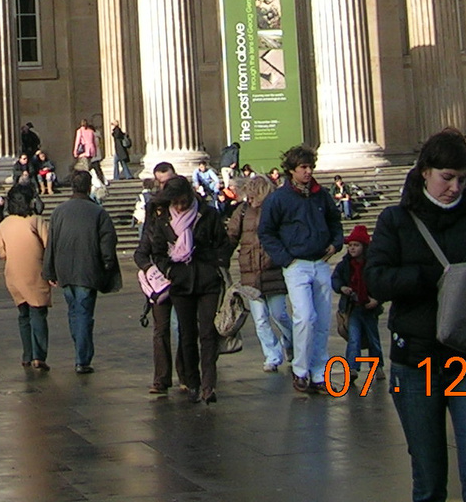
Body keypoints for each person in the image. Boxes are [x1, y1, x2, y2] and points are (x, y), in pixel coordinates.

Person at [366, 129, 466, 502]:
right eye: (447, 177)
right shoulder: (395, 221)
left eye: (462, 180)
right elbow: (377, 280)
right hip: (416, 362)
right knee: (429, 481)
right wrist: (434, 277)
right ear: (425, 173)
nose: (455, 187)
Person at [135, 175, 232, 403]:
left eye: (184, 201)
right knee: (187, 334)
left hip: (207, 281)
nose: (180, 206)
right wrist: (169, 271)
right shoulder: (163, 220)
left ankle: (209, 385)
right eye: (176, 202)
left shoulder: (207, 214)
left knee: (208, 333)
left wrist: (216, 264)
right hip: (180, 283)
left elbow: (223, 244)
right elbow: (157, 252)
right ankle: (193, 381)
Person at [258, 144, 342, 394]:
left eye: (310, 167)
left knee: (323, 319)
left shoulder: (321, 194)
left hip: (321, 263)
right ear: (291, 170)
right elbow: (266, 232)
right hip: (296, 265)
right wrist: (285, 258)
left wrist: (336, 244)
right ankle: (300, 369)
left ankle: (318, 372)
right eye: (303, 167)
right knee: (305, 317)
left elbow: (335, 221)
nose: (308, 172)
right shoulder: (279, 198)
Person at [42, 169, 120, 374]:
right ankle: (82, 358)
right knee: (84, 312)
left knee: (74, 311)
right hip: (88, 269)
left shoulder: (59, 211)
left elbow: (51, 243)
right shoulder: (98, 212)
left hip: (64, 269)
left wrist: (49, 270)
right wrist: (107, 264)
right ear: (88, 187)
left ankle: (80, 348)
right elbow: (108, 241)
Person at [226, 174, 293, 373]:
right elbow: (231, 236)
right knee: (261, 319)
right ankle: (272, 355)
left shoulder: (276, 209)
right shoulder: (243, 210)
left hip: (273, 269)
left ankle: (291, 343)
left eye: (254, 194)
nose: (250, 198)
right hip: (250, 272)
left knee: (280, 314)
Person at [0, 189, 51, 369]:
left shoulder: (4, 224)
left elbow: (1, 251)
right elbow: (49, 244)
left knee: (23, 314)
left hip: (14, 273)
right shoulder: (36, 221)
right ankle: (38, 355)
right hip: (36, 272)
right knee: (38, 313)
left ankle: (27, 353)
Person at [332, 224, 384, 385]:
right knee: (353, 338)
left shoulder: (373, 264)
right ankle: (352, 368)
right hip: (353, 307)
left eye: (356, 245)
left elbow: (381, 283)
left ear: (364, 247)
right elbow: (335, 279)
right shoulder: (345, 264)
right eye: (350, 246)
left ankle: (377, 366)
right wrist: (341, 287)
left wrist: (377, 299)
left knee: (373, 338)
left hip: (370, 307)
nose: (352, 249)